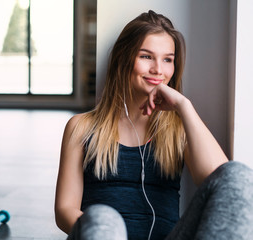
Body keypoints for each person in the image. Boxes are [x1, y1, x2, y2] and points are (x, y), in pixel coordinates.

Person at [54, 10, 253, 240]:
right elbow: (64, 210)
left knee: (237, 175)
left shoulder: (179, 128)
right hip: (103, 235)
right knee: (102, 217)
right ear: (123, 58)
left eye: (168, 59)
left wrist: (183, 106)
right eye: (147, 56)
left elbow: (221, 183)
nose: (158, 69)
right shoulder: (81, 127)